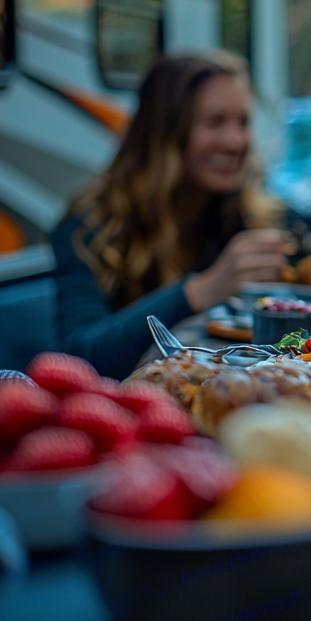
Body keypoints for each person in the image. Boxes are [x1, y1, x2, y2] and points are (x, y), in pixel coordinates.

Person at [51, 52, 289, 378]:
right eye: (214, 122)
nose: (237, 142)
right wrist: (199, 291)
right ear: (163, 132)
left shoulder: (245, 211)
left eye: (243, 122)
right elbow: (80, 358)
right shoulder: (90, 227)